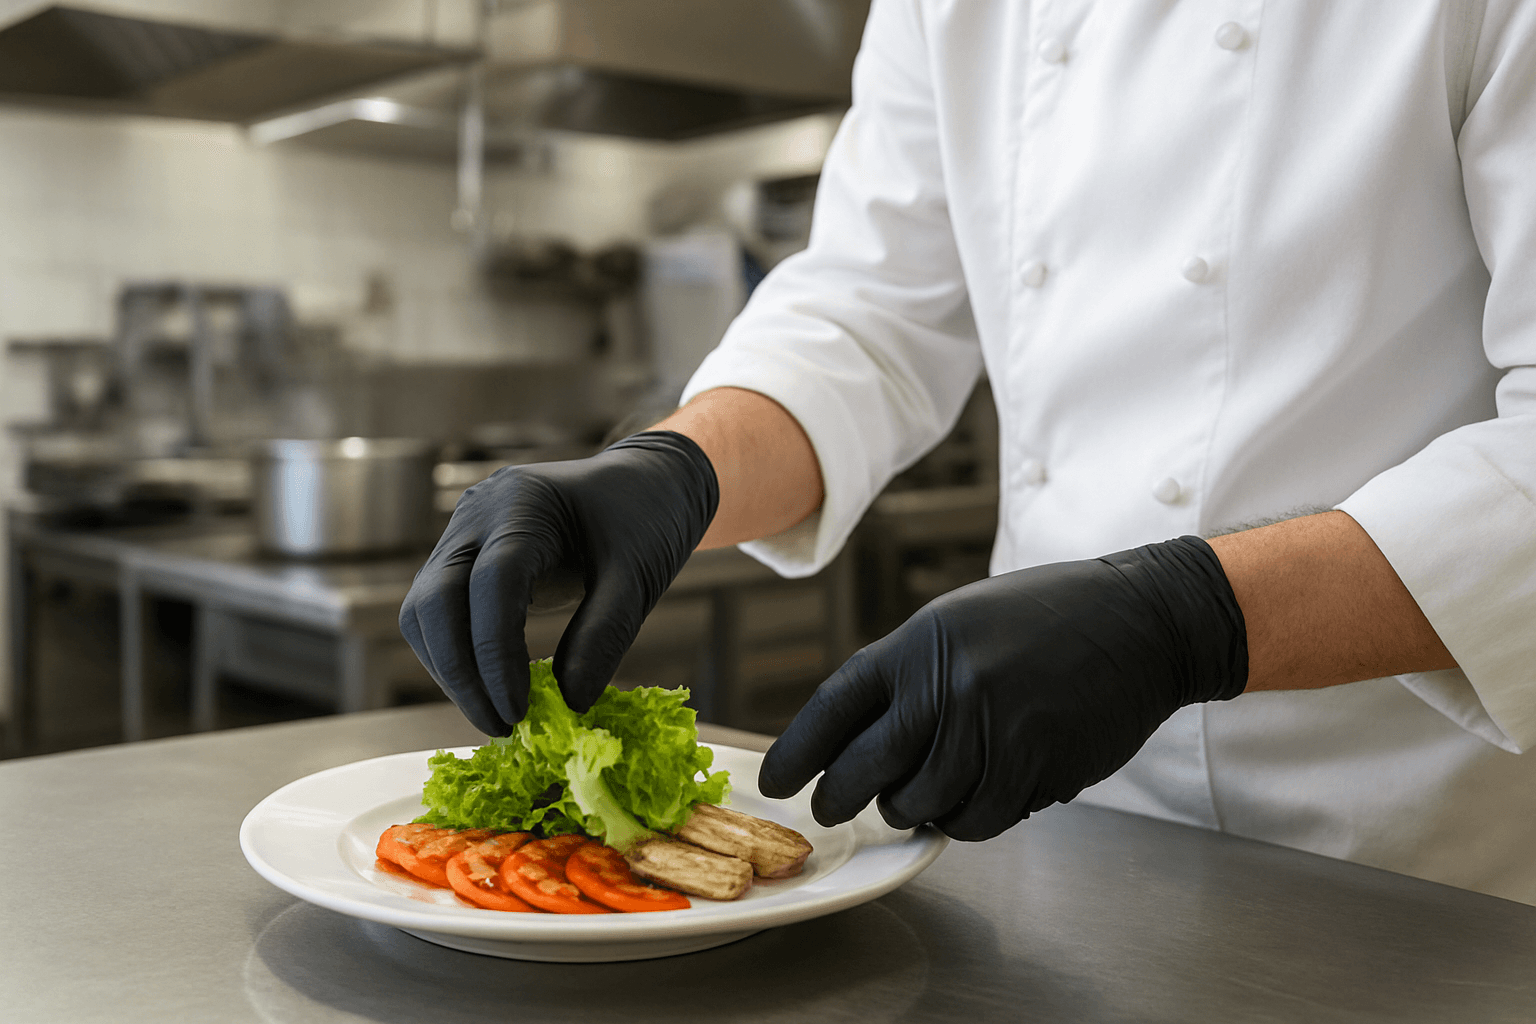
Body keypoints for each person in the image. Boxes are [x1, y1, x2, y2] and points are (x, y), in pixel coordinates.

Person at [400, 2, 1536, 904]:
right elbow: (871, 312)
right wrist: (676, 467)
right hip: (1060, 817)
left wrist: (1186, 618)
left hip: (1408, 855)